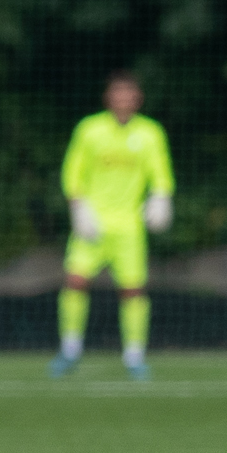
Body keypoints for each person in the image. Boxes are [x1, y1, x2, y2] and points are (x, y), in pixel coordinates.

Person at [50, 71, 174, 380]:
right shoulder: (90, 129)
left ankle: (134, 356)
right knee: (75, 281)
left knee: (133, 290)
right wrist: (78, 206)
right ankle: (70, 349)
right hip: (92, 222)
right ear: (108, 97)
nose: (123, 99)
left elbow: (160, 172)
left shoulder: (150, 133)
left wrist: (161, 197)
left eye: (128, 93)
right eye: (117, 93)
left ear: (138, 98)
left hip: (129, 226)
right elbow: (73, 170)